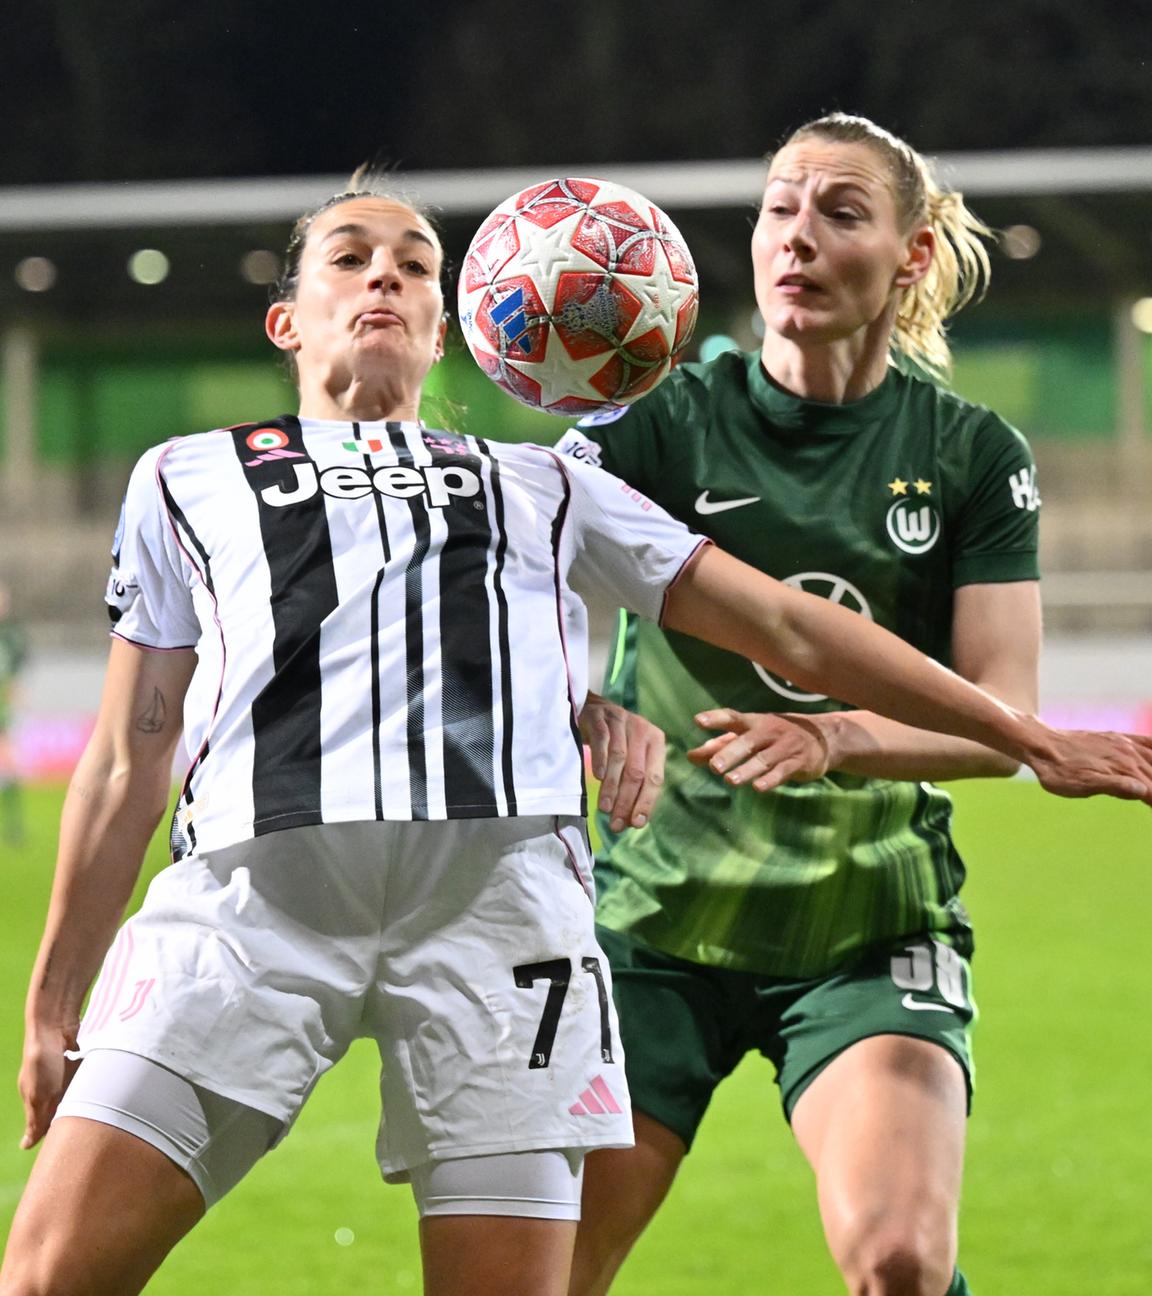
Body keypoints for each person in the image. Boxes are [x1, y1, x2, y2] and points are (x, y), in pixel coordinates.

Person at [3, 171, 1150, 1296]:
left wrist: (1024, 734)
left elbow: (786, 626)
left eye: (414, 268)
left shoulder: (544, 485)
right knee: (48, 1275)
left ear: (451, 330)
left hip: (499, 929)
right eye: (350, 260)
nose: (384, 280)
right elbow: (127, 752)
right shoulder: (185, 480)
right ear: (288, 320)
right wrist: (56, 1001)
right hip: (251, 914)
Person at [556, 113, 1095, 1296]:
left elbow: (999, 716)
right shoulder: (662, 423)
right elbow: (512, 600)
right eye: (778, 210)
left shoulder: (968, 453)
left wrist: (838, 734)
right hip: (650, 928)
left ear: (909, 258)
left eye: (840, 213)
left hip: (865, 928)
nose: (796, 238)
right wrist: (588, 708)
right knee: (541, 1276)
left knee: (901, 1261)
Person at [0, 580, 29, 845]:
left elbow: (15, 674)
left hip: (2, 711)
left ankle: (14, 826)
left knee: (8, 764)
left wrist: (15, 696)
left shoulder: (11, 637)